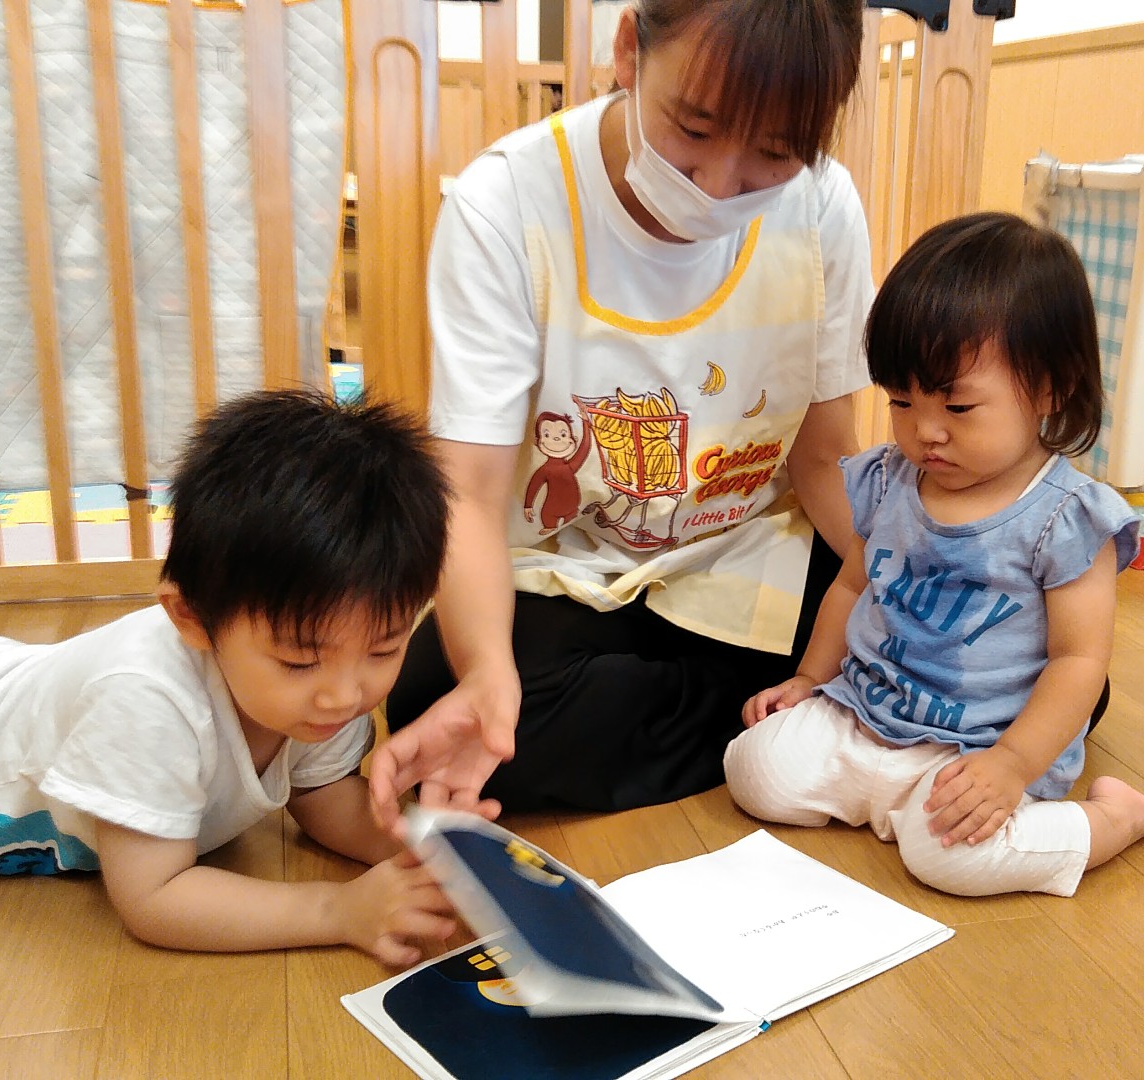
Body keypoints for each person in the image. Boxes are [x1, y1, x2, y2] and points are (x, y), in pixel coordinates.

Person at [0, 390, 459, 962]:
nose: (347, 691)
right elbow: (155, 899)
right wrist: (339, 912)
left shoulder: (327, 679)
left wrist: (430, 854)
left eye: (385, 649)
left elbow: (325, 797)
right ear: (191, 618)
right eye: (300, 660)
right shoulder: (147, 701)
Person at [373, 0, 875, 821]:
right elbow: (469, 491)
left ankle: (799, 716)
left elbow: (823, 459)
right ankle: (808, 723)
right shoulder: (504, 203)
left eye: (773, 154)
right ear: (629, 51)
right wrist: (489, 676)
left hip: (750, 559)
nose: (718, 186)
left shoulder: (822, 204)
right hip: (568, 575)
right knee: (441, 693)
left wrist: (916, 591)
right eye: (694, 130)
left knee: (1005, 654)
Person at [723, 213, 1144, 898]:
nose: (924, 431)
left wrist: (1015, 764)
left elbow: (1080, 660)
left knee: (951, 860)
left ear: (1052, 387)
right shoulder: (886, 480)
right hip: (867, 713)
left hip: (979, 749)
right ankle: (887, 801)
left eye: (958, 407)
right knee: (756, 768)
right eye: (902, 400)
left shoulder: (1065, 517)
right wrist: (809, 680)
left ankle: (1113, 818)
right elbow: (850, 587)